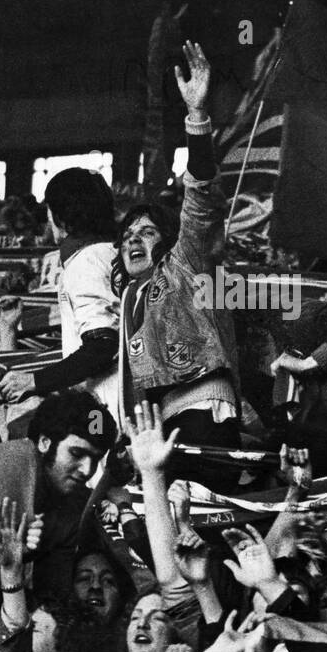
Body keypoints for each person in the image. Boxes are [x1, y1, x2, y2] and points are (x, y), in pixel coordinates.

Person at [113, 42, 242, 492]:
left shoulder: (183, 263)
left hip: (200, 410)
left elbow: (201, 197)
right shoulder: (130, 297)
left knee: (201, 525)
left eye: (146, 232)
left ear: (167, 240)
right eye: (127, 235)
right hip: (159, 425)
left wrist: (197, 116)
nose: (133, 239)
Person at [0, 168, 121, 426]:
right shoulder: (112, 253)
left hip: (106, 404)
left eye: (49, 211)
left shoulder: (85, 262)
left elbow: (102, 344)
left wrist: (34, 381)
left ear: (62, 217)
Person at [0, 389, 118, 599]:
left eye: (96, 458)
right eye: (76, 453)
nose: (86, 470)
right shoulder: (18, 458)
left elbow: (54, 592)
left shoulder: (73, 501)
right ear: (45, 442)